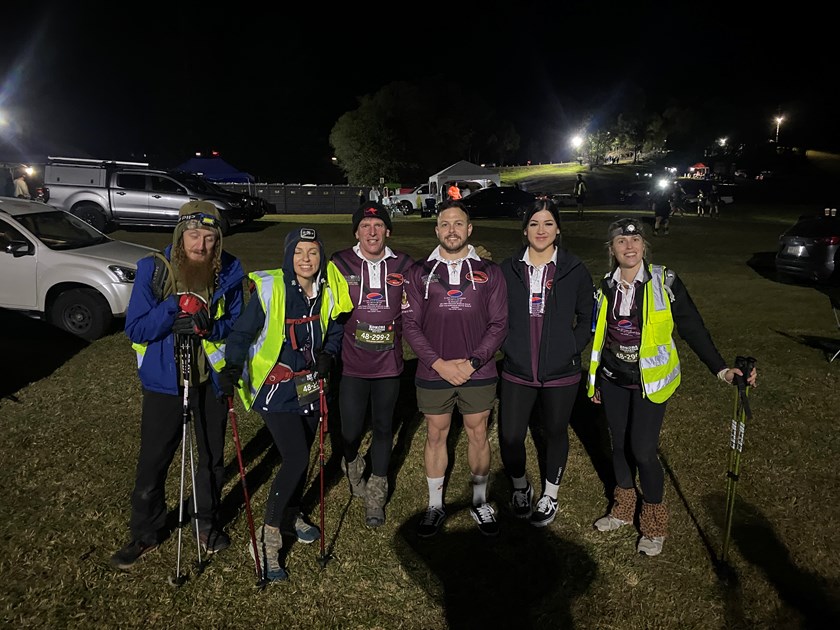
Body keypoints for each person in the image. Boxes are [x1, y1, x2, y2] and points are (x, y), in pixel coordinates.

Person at [587, 218, 757, 557]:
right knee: (618, 445)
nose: (630, 247)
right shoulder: (605, 286)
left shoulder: (665, 281)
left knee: (643, 450)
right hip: (614, 378)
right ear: (612, 249)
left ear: (645, 246)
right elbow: (597, 336)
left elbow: (692, 326)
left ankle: (653, 522)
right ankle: (622, 508)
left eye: (635, 241)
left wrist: (721, 369)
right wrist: (594, 379)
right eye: (621, 242)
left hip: (652, 383)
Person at [111, 201, 245, 570]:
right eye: (193, 235)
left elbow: (235, 326)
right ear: (180, 235)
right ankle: (145, 532)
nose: (200, 245)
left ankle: (205, 524)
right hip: (165, 384)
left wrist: (208, 327)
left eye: (209, 237)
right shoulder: (154, 269)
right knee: (153, 461)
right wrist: (173, 308)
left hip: (209, 381)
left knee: (211, 460)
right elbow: (136, 328)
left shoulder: (230, 270)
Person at [219, 226, 352, 582]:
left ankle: (292, 513)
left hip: (309, 384)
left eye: (312, 252)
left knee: (305, 450)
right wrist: (231, 367)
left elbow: (336, 325)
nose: (306, 259)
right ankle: (267, 537)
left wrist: (329, 353)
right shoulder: (271, 287)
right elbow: (243, 333)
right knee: (295, 457)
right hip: (275, 387)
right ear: (288, 255)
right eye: (298, 252)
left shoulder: (327, 286)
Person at [402, 200, 508, 538]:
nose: (452, 230)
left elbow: (499, 323)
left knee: (478, 433)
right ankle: (435, 507)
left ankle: (479, 502)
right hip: (435, 372)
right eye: (445, 224)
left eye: (458, 224)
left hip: (478, 371)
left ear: (469, 229)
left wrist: (473, 362)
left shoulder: (490, 271)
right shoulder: (419, 272)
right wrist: (438, 363)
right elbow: (410, 324)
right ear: (436, 230)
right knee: (435, 435)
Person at [498, 199, 595, 527]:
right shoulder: (507, 269)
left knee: (555, 431)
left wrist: (572, 347)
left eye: (548, 224)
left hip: (561, 372)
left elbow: (587, 317)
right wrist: (507, 346)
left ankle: (550, 493)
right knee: (510, 436)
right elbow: (494, 314)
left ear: (558, 229)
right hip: (517, 369)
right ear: (525, 230)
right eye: (535, 224)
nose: (541, 230)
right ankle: (521, 486)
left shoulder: (574, 269)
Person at [330, 202, 414, 527]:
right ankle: (351, 462)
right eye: (365, 226)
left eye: (378, 225)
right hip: (351, 365)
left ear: (388, 231)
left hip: (388, 367)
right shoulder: (339, 262)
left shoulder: (404, 264)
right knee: (350, 431)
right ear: (356, 232)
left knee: (383, 427)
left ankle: (377, 491)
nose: (372, 231)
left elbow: (430, 294)